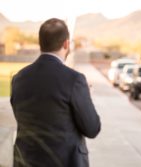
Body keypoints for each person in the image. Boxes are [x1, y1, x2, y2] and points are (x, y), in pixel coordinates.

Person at [10, 18, 101, 167]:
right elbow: (92, 129)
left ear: (41, 43)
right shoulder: (75, 80)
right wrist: (87, 97)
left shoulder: (18, 79)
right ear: (66, 44)